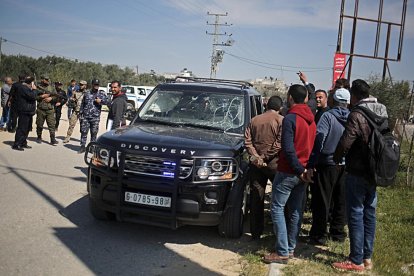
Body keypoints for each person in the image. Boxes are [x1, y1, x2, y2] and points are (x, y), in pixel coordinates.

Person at [332, 79, 388, 272]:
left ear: (354, 96)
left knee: (355, 212)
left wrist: (337, 157)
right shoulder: (382, 109)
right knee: (369, 213)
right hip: (375, 170)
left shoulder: (356, 113)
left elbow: (347, 141)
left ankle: (355, 261)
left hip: (357, 169)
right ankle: (367, 257)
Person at [263, 84, 316, 264]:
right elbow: (314, 147)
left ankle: (282, 251)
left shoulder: (290, 118)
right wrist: (306, 170)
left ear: (291, 97)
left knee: (277, 208)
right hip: (303, 172)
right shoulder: (312, 118)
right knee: (295, 210)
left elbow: (288, 149)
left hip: (289, 171)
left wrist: (299, 170)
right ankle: (290, 248)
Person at [306, 88, 350, 245]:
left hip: (327, 164)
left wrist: (312, 163)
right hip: (345, 166)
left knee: (322, 201)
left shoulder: (327, 117)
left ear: (333, 100)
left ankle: (319, 234)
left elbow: (319, 140)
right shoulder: (352, 117)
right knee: (340, 200)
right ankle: (338, 233)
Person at [244, 95, 283, 240]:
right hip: (274, 165)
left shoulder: (254, 120)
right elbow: (279, 143)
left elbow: (247, 142)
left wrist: (256, 157)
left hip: (256, 165)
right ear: (280, 108)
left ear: (266, 106)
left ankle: (255, 232)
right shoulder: (280, 120)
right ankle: (277, 233)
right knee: (278, 199)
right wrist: (266, 157)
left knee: (256, 197)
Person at [78, 79, 109, 153]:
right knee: (84, 132)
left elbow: (108, 102)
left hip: (95, 117)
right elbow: (83, 104)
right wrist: (80, 113)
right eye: (95, 85)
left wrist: (101, 101)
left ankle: (92, 147)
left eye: (97, 85)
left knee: (94, 133)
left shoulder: (101, 94)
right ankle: (82, 146)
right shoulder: (87, 93)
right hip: (86, 117)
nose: (96, 86)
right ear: (92, 85)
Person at [12, 76, 37, 151]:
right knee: (22, 128)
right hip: (24, 111)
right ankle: (17, 144)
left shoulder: (27, 88)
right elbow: (32, 96)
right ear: (31, 82)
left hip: (29, 111)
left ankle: (23, 142)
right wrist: (34, 90)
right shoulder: (23, 88)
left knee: (27, 128)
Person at [36, 75, 59, 145]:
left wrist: (51, 98)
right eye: (46, 79)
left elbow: (56, 97)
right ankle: (39, 137)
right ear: (42, 79)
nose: (47, 81)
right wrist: (41, 96)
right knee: (39, 124)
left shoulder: (52, 88)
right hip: (41, 109)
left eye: (48, 79)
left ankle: (53, 139)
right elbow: (34, 97)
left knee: (51, 125)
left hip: (50, 110)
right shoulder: (38, 87)